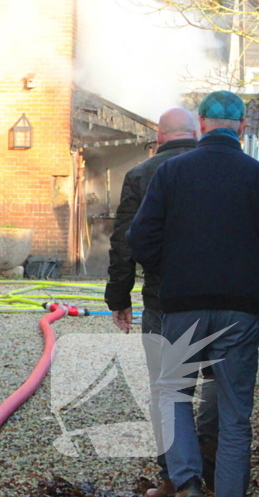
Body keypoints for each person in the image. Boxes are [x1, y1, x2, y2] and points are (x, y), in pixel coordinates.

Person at [128, 90, 259, 497]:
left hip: (181, 306)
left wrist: (171, 269)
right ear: (244, 128)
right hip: (242, 311)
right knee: (234, 412)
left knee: (174, 393)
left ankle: (187, 483)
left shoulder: (172, 173)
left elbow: (139, 237)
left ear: (201, 126)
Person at [105, 108, 218, 497]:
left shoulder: (141, 174)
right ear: (197, 132)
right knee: (221, 381)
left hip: (163, 299)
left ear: (158, 136)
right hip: (223, 297)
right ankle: (211, 455)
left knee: (168, 390)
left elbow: (125, 240)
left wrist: (119, 297)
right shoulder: (219, 167)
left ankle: (175, 478)